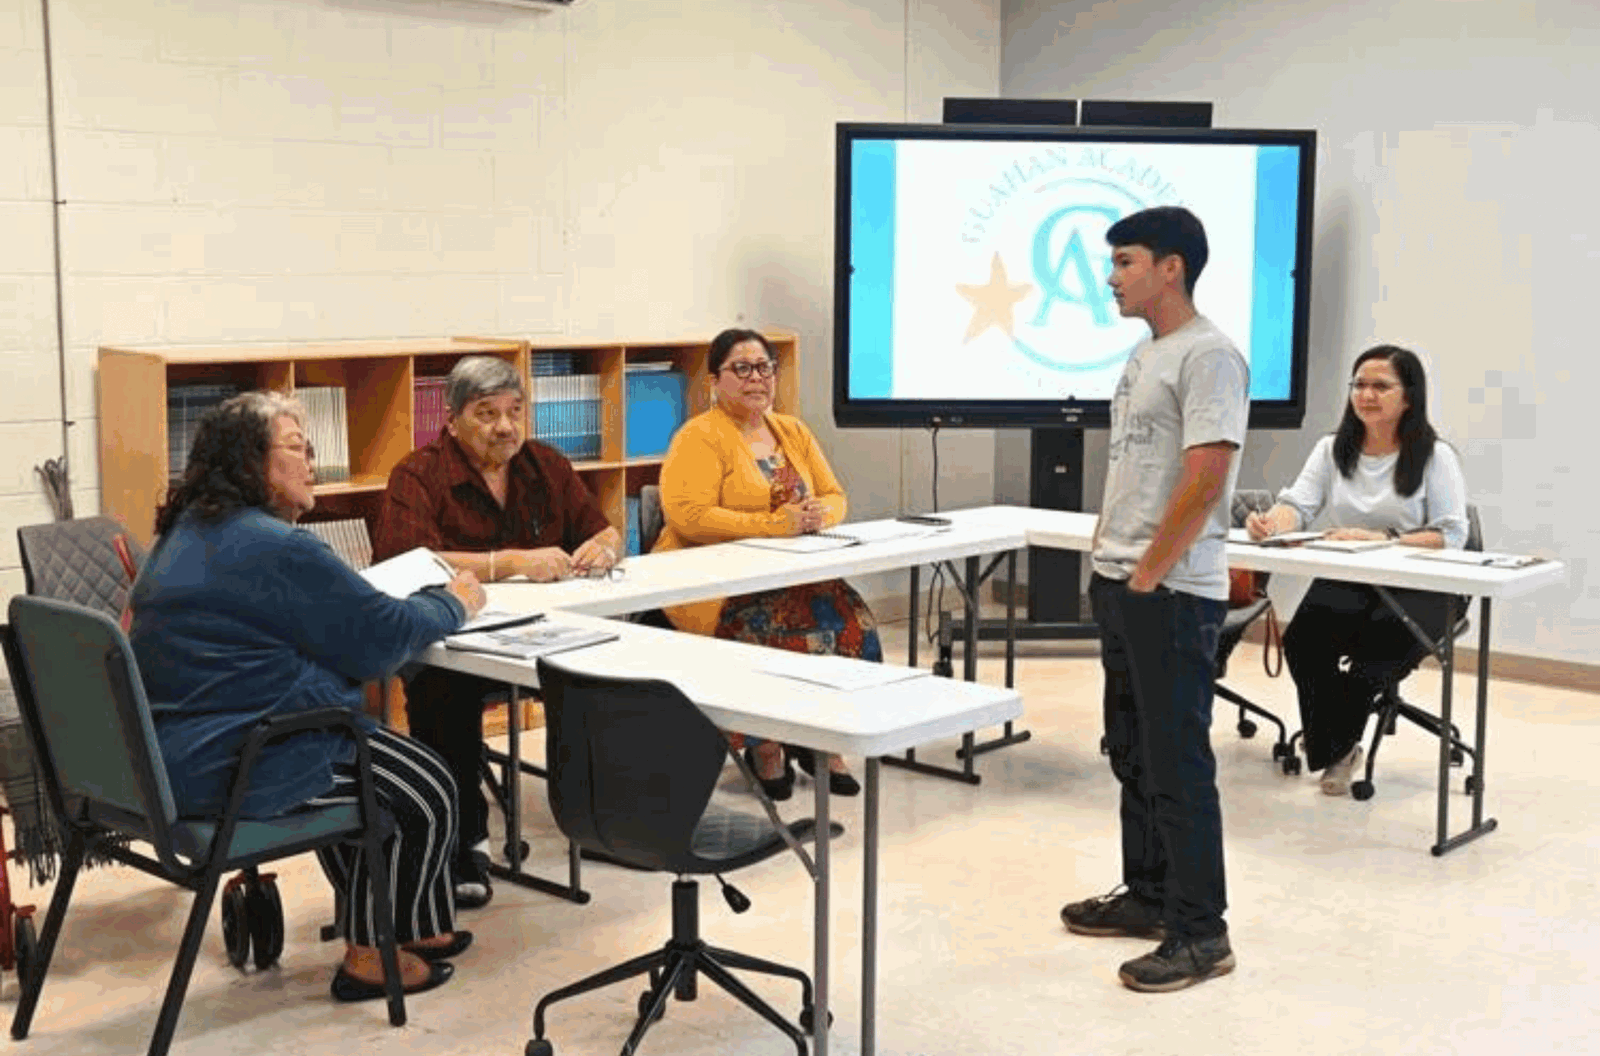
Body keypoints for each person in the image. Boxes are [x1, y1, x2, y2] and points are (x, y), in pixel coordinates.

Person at [129, 391, 487, 1002]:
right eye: (296, 447)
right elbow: (380, 643)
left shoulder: (187, 530)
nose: (311, 462)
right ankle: (374, 951)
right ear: (249, 462)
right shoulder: (276, 546)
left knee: (387, 764)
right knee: (421, 784)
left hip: (179, 750)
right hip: (237, 758)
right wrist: (453, 601)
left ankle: (410, 930)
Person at [1058, 207, 1247, 993]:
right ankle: (1148, 896)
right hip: (1125, 579)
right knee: (1131, 752)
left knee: (1177, 764)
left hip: (1168, 591)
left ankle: (1202, 931)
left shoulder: (1209, 357)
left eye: (1125, 261)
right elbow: (1132, 468)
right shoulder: (1149, 355)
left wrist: (1147, 574)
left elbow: (1205, 478)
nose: (1110, 277)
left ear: (1172, 267)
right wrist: (1110, 557)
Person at [373, 355, 622, 908]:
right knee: (442, 692)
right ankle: (465, 842)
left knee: (600, 674)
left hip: (541, 633)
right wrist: (506, 561)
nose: (505, 427)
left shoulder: (547, 465)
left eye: (515, 411)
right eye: (487, 414)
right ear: (454, 417)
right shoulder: (417, 473)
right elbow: (403, 560)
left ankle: (604, 820)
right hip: (452, 638)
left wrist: (603, 548)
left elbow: (606, 531)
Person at [654, 327, 879, 800]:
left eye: (764, 367)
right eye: (741, 368)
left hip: (792, 574)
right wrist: (777, 524)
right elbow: (689, 517)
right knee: (775, 633)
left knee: (852, 622)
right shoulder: (699, 436)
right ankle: (767, 747)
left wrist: (820, 514)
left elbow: (836, 496)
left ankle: (822, 737)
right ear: (715, 380)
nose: (756, 378)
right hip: (715, 581)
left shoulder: (792, 430)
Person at [1245, 344, 1468, 794]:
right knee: (1304, 643)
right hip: (1350, 577)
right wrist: (1272, 523)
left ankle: (1332, 745)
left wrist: (1385, 539)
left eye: (1381, 386)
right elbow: (1298, 506)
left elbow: (1450, 535)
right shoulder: (1332, 449)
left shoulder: (1434, 455)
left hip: (1419, 584)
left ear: (1409, 397)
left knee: (1375, 656)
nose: (1367, 394)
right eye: (1359, 385)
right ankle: (1341, 747)